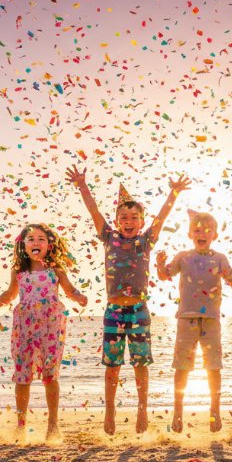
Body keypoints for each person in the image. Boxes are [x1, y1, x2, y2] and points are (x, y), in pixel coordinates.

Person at [65, 165, 190, 435]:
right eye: (124, 217)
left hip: (139, 311)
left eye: (134, 217)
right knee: (112, 367)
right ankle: (109, 413)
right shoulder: (109, 237)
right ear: (117, 220)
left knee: (140, 365)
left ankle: (142, 412)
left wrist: (174, 193)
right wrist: (82, 185)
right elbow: (94, 211)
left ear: (141, 222)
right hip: (113, 312)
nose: (129, 221)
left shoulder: (145, 242)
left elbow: (162, 216)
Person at [0, 224, 87, 442]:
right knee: (23, 375)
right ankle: (20, 425)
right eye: (31, 239)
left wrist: (79, 297)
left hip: (51, 325)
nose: (36, 242)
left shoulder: (56, 270)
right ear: (23, 245)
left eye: (41, 239)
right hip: (25, 326)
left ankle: (53, 425)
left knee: (49, 374)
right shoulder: (19, 272)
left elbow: (69, 289)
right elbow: (9, 295)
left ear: (49, 244)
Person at [155, 210, 232, 434]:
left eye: (207, 230)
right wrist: (160, 264)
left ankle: (215, 411)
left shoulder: (219, 257)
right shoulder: (183, 256)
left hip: (211, 319)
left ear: (215, 234)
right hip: (186, 318)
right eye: (198, 230)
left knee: (213, 366)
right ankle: (178, 413)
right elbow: (165, 275)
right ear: (190, 233)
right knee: (182, 367)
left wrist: (231, 278)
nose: (202, 234)